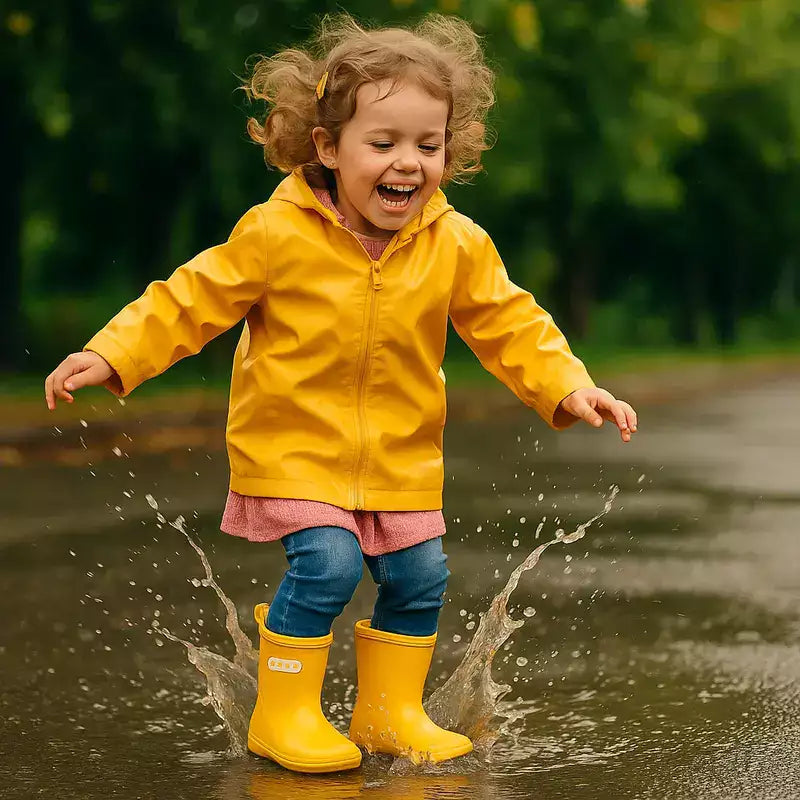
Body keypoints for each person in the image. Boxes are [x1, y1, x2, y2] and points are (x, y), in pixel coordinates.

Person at [44, 12, 637, 773]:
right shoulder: (275, 233)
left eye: (429, 145)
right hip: (293, 448)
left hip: (399, 457)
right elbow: (187, 300)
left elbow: (511, 323)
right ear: (328, 147)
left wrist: (570, 386)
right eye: (383, 143)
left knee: (422, 577)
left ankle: (389, 713)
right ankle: (282, 712)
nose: (408, 163)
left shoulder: (454, 243)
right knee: (327, 565)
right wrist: (111, 353)